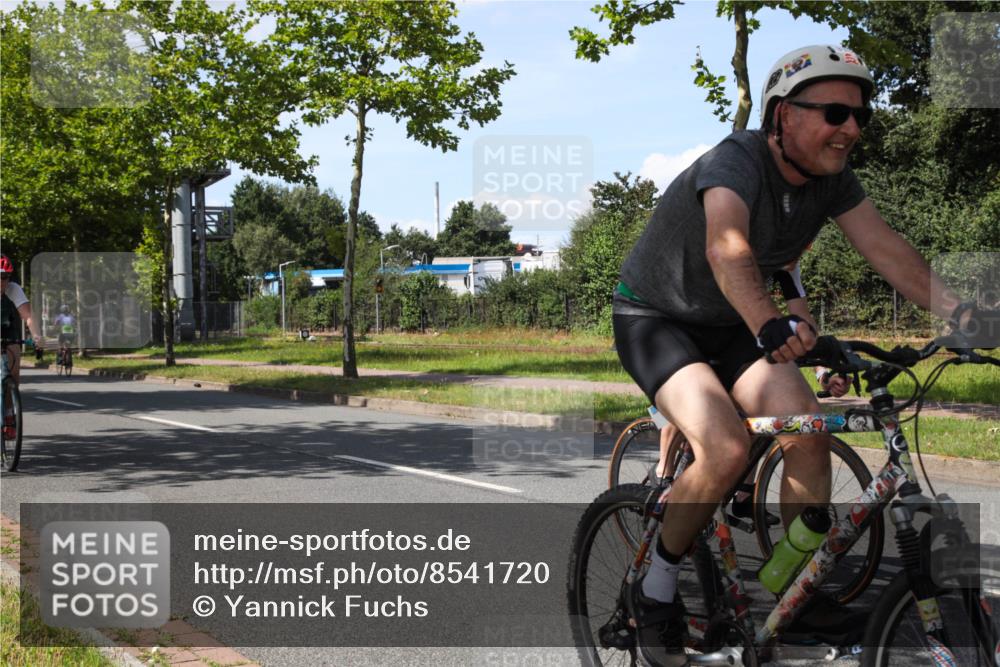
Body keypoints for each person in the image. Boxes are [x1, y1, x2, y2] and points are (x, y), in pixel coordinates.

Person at [611, 44, 994, 666]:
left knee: (810, 432)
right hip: (658, 318)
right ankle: (653, 591)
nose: (852, 129)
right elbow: (727, 247)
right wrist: (769, 322)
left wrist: (963, 314)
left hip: (735, 324)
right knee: (728, 446)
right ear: (784, 115)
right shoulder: (735, 162)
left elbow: (886, 247)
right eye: (836, 113)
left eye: (861, 116)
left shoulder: (832, 181)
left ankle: (797, 590)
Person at [647, 262, 851, 523]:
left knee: (755, 423)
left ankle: (743, 496)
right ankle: (663, 474)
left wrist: (825, 373)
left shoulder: (788, 266)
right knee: (685, 408)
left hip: (738, 345)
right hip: (682, 331)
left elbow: (804, 327)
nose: (802, 249)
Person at [1, 254, 43, 385]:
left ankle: (9, 405)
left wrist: (37, 336)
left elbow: (28, 315)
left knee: (12, 373)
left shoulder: (13, 288)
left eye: (5, 277)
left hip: (6, 329)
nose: (1, 281)